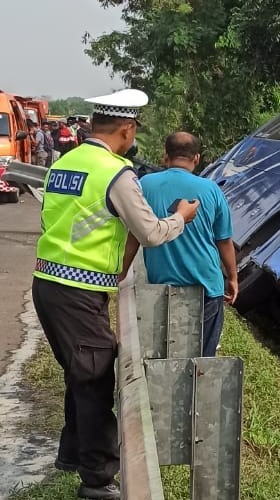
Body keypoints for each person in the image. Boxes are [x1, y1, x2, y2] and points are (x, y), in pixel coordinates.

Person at [32, 89, 200, 500]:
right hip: (78, 290)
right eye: (134, 130)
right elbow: (151, 233)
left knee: (79, 374)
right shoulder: (116, 173)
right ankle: (98, 480)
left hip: (48, 284)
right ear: (127, 129)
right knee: (93, 378)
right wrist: (180, 216)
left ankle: (74, 456)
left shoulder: (64, 164)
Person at [121, 131, 238, 357]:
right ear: (197, 158)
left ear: (166, 156)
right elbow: (223, 241)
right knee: (202, 357)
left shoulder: (144, 185)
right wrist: (232, 278)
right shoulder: (211, 190)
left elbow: (133, 236)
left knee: (163, 353)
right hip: (206, 287)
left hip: (162, 288)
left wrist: (121, 273)